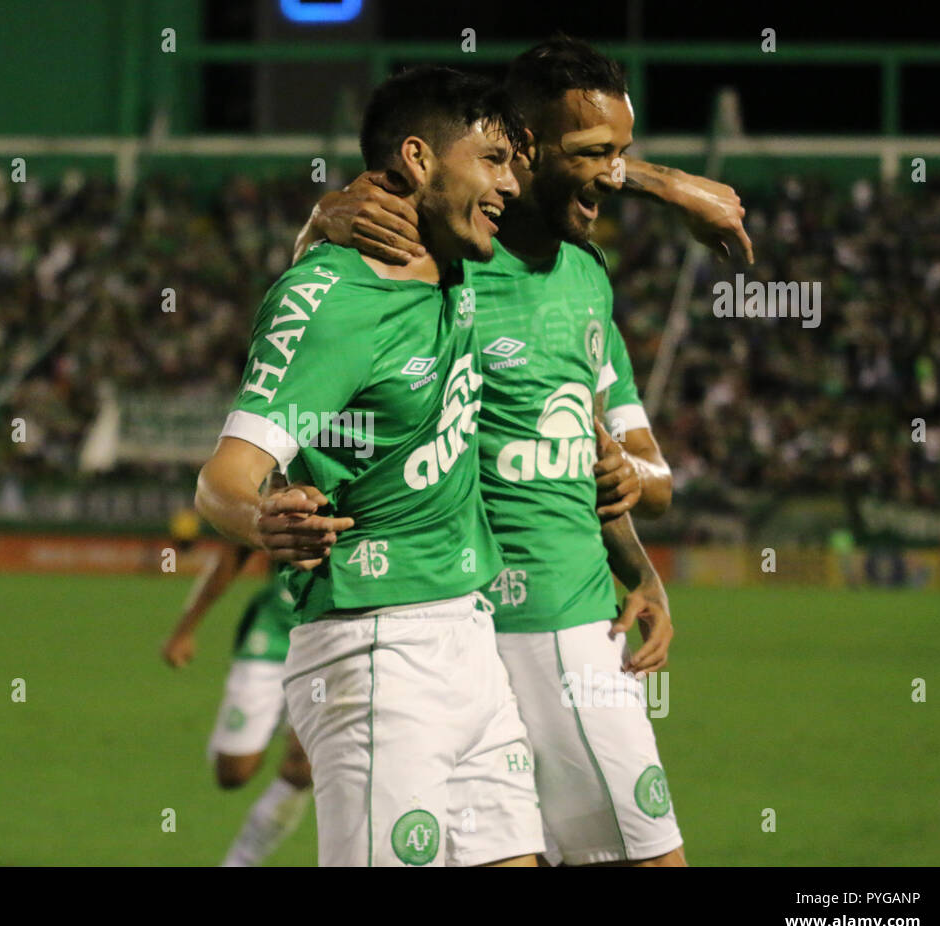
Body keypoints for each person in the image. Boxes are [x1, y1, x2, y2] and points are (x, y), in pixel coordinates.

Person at [290, 36, 758, 866]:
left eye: (626, 154)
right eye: (597, 156)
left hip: (575, 610)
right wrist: (321, 214)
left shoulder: (586, 273)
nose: (614, 172)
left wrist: (639, 567)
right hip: (503, 618)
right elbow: (322, 291)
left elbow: (640, 475)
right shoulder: (453, 254)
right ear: (525, 150)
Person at [197, 66, 542, 867]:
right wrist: (263, 520)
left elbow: (576, 166)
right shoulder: (330, 298)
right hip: (375, 653)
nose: (510, 185)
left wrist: (676, 187)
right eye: (491, 161)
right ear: (418, 160)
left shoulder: (464, 263)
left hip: (472, 640)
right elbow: (224, 477)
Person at [161, 539, 312, 867]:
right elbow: (234, 552)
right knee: (232, 772)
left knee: (304, 765)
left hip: (330, 637)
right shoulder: (282, 487)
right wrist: (185, 629)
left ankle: (239, 861)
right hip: (273, 634)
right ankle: (268, 723)